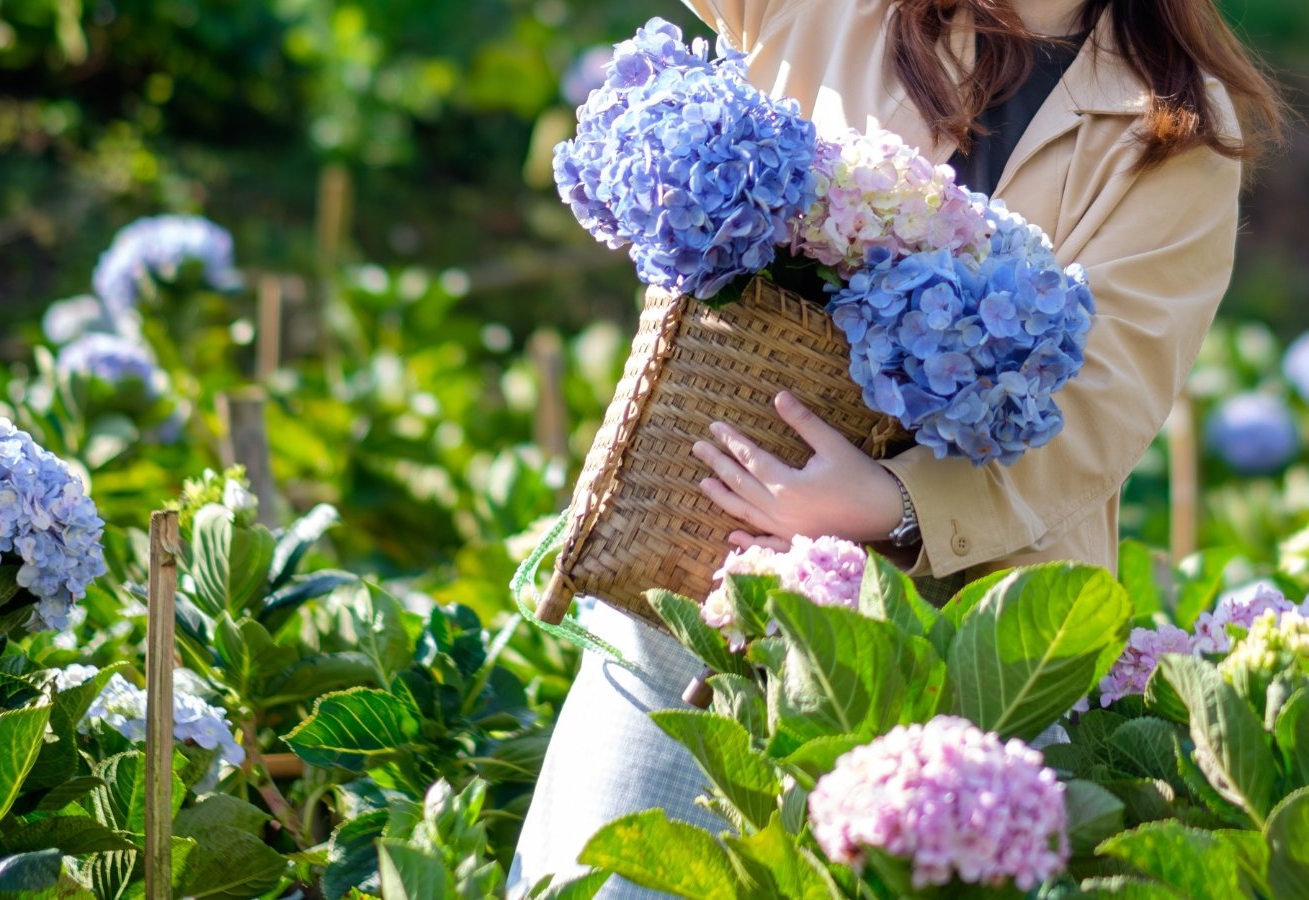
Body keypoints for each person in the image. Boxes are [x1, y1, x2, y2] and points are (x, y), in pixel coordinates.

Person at [508, 0, 1286, 896]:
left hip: (962, 655)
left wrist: (895, 500)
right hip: (690, 579)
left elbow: (1107, 398)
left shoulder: (1176, 123)